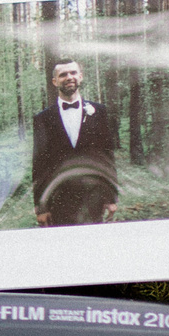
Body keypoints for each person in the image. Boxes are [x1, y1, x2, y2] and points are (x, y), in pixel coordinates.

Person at [31, 58, 120, 226]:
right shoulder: (42, 119)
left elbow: (107, 157)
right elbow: (39, 165)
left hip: (94, 198)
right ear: (55, 81)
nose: (69, 77)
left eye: (73, 73)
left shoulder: (100, 113)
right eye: (63, 74)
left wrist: (111, 197)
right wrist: (41, 207)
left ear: (80, 76)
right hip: (58, 200)